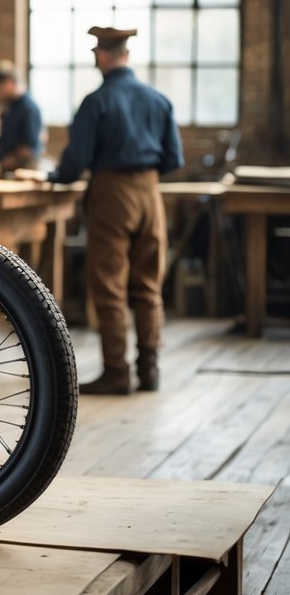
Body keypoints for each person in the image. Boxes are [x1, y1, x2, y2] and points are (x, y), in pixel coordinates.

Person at [24, 27, 184, 395]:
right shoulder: (158, 100)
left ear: (102, 56)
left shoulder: (97, 102)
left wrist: (54, 177)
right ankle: (150, 369)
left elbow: (74, 163)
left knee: (110, 286)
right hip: (150, 192)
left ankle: (116, 371)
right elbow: (174, 159)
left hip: (113, 194)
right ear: (126, 54)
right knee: (147, 285)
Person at [0, 59, 43, 174]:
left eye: (0, 88)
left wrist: (1, 165)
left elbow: (28, 149)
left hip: (24, 170)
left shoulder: (28, 108)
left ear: (10, 82)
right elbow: (5, 140)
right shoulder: (10, 107)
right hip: (8, 168)